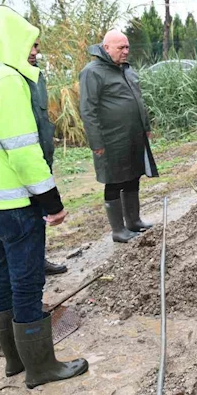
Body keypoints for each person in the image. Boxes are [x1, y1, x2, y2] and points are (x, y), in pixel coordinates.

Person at [0, 4, 88, 388]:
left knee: (2, 277)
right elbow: (23, 150)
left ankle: (14, 361)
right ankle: (41, 368)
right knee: (27, 282)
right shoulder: (2, 79)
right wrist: (51, 202)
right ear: (7, 39)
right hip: (11, 203)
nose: (32, 52)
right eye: (28, 44)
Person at [79, 30, 158, 243]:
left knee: (133, 176)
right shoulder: (92, 72)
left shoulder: (125, 70)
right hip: (110, 139)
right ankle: (118, 230)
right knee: (113, 181)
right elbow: (88, 110)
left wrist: (146, 126)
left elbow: (138, 100)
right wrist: (96, 141)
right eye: (120, 48)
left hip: (133, 135)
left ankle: (134, 221)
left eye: (127, 47)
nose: (126, 51)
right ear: (106, 48)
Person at [26, 40, 67, 275]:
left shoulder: (36, 77)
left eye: (37, 46)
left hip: (40, 156)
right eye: (29, 46)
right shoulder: (8, 80)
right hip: (24, 160)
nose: (35, 52)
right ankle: (30, 267)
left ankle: (39, 260)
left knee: (38, 217)